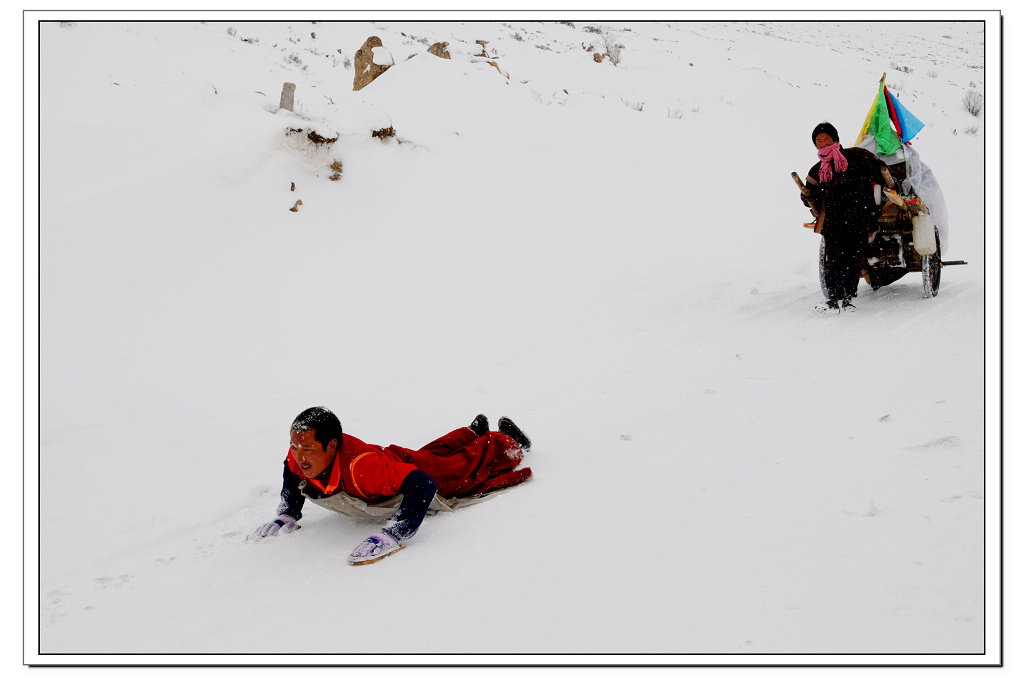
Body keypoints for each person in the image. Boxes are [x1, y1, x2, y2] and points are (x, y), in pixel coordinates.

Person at [251, 407, 532, 565]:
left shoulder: (363, 469)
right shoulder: (300, 455)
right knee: (429, 456)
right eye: (294, 445)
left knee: (461, 471)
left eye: (308, 449)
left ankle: (507, 441)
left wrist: (394, 534)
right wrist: (287, 513)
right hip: (391, 463)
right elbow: (291, 471)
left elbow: (423, 486)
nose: (299, 456)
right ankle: (471, 434)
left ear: (332, 446)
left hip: (392, 471)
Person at [801, 122, 889, 312]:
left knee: (853, 259)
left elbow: (877, 168)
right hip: (834, 223)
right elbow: (811, 193)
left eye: (826, 139)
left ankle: (848, 297)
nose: (823, 143)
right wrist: (805, 196)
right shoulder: (817, 170)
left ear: (835, 139)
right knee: (832, 260)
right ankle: (833, 298)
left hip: (859, 218)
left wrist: (884, 173)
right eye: (819, 140)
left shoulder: (856, 156)